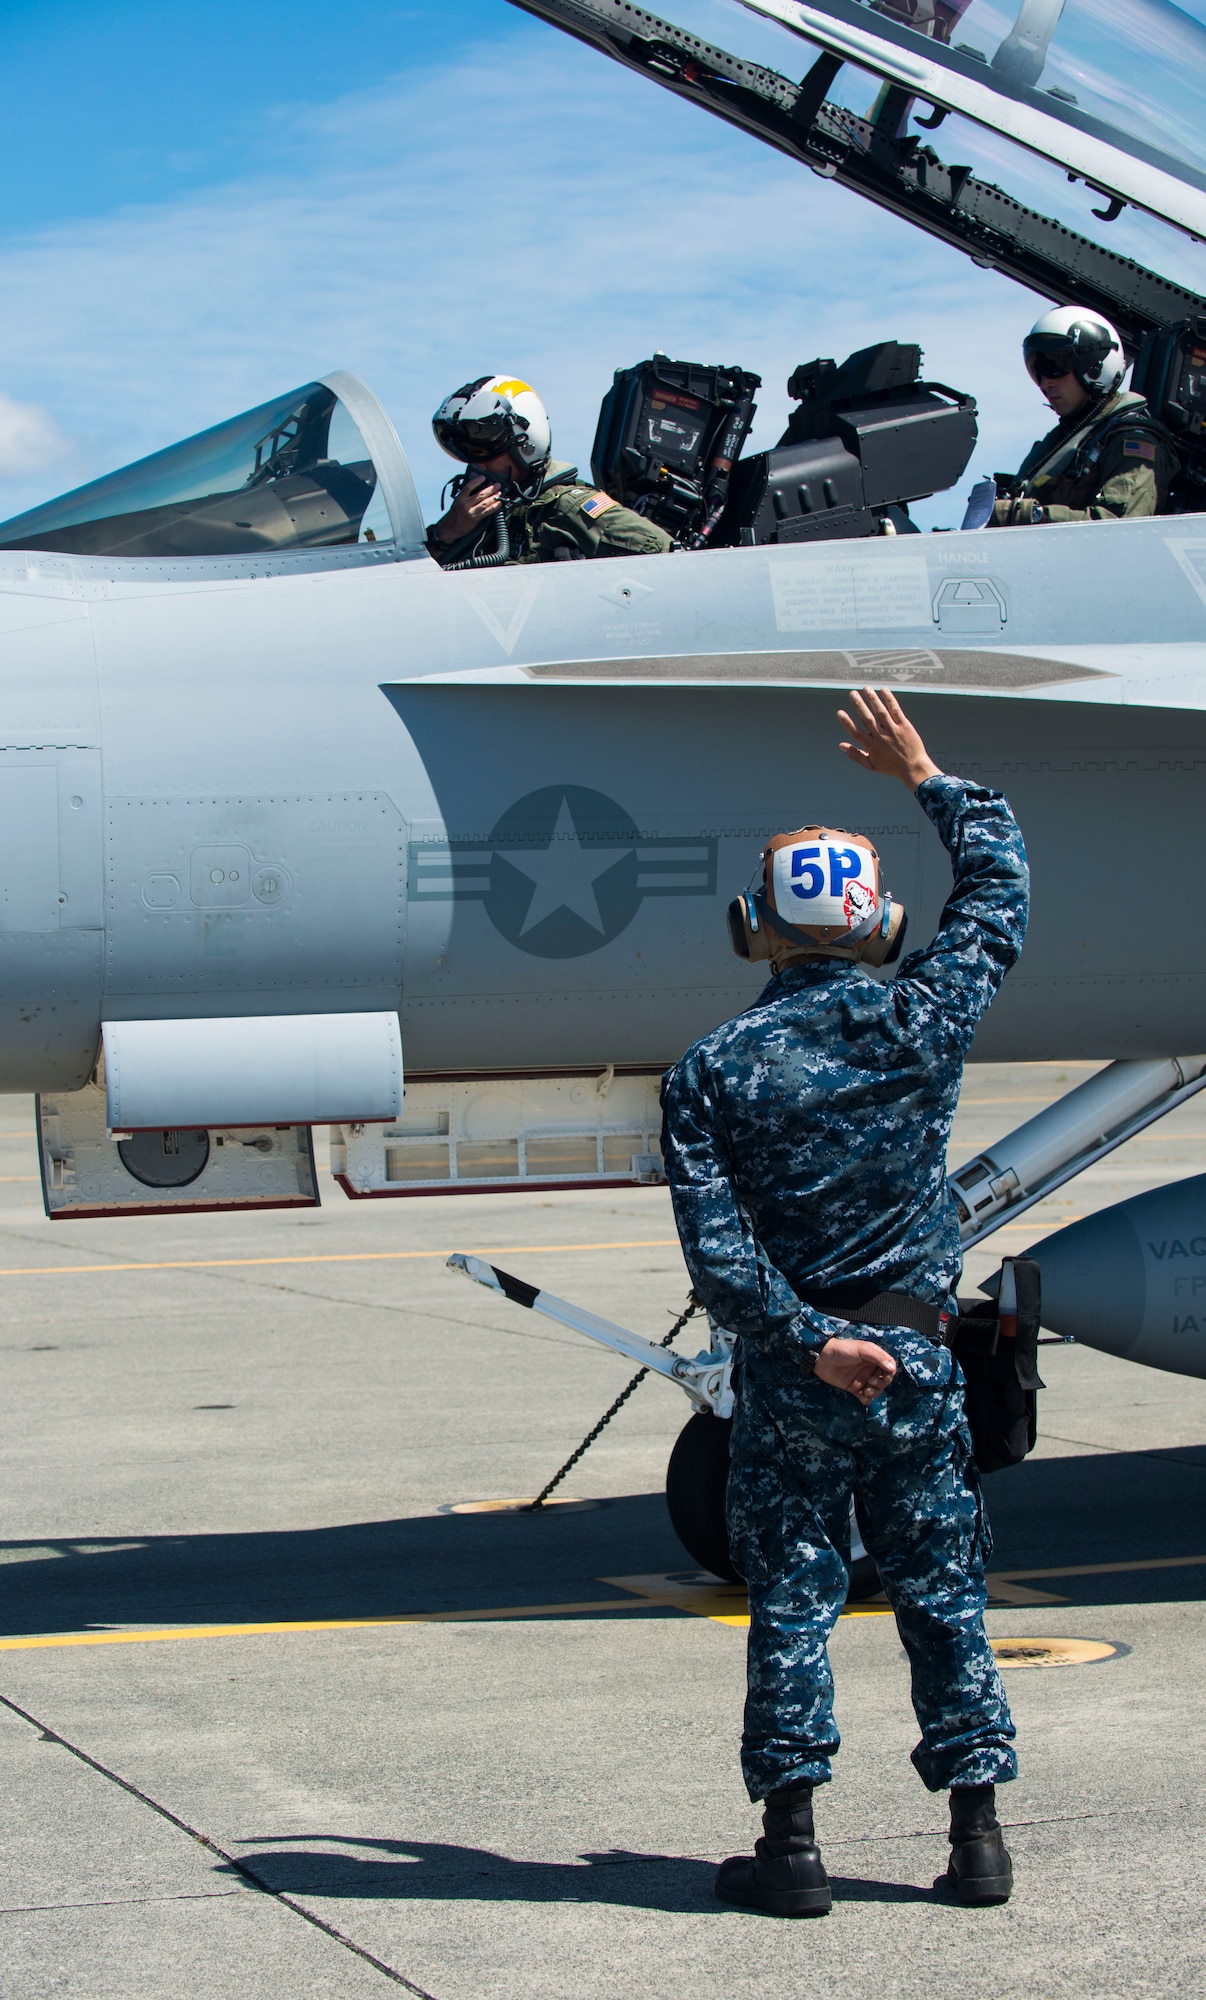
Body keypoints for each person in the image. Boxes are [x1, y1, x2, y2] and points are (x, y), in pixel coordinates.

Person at [660, 688, 1029, 1917]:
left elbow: (720, 1261)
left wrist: (815, 1343)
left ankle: (795, 1847)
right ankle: (977, 1840)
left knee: (798, 1595)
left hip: (796, 1378)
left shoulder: (712, 1072)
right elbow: (1000, 888)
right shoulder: (926, 1016)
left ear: (752, 929)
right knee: (942, 1589)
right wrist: (924, 769)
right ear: (879, 925)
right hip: (923, 1364)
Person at [426, 375, 674, 567]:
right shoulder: (473, 518)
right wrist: (446, 532)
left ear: (526, 441)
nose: (479, 464)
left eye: (486, 449)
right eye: (468, 451)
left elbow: (664, 552)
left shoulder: (565, 506)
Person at [991, 307, 1178, 525]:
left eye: (1054, 366)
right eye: (1038, 371)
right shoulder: (1068, 442)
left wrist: (1026, 515)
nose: (1045, 383)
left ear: (1094, 367)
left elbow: (1121, 527)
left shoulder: (1132, 442)